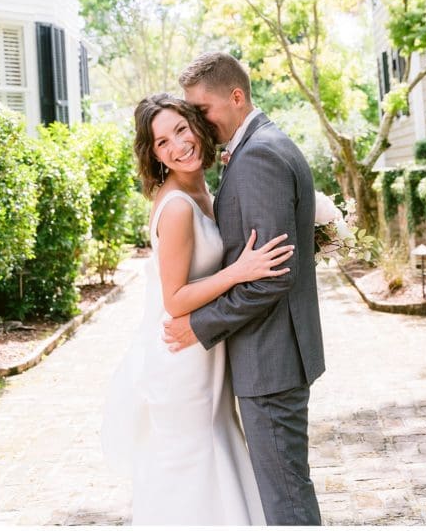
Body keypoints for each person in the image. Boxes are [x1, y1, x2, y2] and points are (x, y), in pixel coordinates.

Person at [102, 93, 295, 524]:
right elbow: (174, 299)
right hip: (180, 354)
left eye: (180, 130)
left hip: (207, 350)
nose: (177, 146)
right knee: (189, 461)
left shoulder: (203, 187)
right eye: (161, 142)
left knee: (216, 447)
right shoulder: (175, 208)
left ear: (195, 125)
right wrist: (239, 271)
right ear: (153, 154)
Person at [161, 52, 325, 526]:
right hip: (272, 354)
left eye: (202, 110)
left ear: (236, 97)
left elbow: (271, 275)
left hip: (270, 359)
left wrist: (199, 325)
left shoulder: (258, 157)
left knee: (286, 497)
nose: (198, 123)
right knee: (283, 487)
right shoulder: (262, 146)